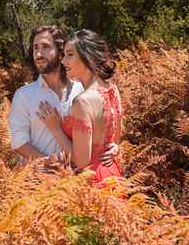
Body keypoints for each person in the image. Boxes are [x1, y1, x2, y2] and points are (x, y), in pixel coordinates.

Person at [8, 25, 117, 165]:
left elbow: (100, 130)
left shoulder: (81, 91)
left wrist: (113, 146)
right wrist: (48, 163)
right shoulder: (24, 95)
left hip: (78, 179)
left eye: (45, 47)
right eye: (35, 48)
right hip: (39, 180)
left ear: (61, 53)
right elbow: (19, 143)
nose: (39, 54)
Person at [37, 29, 123, 185]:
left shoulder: (82, 102)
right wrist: (115, 148)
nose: (63, 61)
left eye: (70, 55)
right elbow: (114, 139)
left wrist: (55, 128)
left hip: (92, 182)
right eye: (64, 55)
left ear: (87, 57)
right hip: (113, 174)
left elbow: (81, 162)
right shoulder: (113, 90)